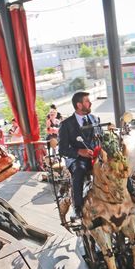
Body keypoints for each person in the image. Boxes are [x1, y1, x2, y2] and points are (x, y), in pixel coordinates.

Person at [58, 91, 100, 220]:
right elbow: (62, 149)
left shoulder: (95, 119)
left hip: (96, 156)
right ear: (79, 105)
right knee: (79, 171)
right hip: (78, 159)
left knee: (118, 163)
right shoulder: (66, 125)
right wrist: (78, 152)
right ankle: (77, 207)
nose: (90, 103)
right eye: (87, 101)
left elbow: (101, 138)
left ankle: (131, 192)